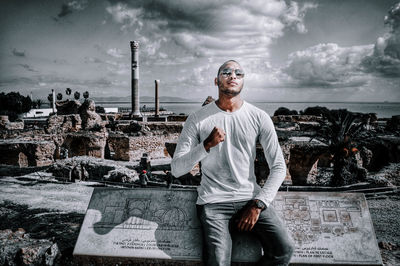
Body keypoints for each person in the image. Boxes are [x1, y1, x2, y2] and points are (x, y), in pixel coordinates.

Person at [171, 60, 294, 266]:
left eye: (239, 73)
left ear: (243, 81)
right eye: (226, 72)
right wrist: (206, 145)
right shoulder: (197, 119)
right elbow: (176, 169)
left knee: (283, 250)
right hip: (213, 204)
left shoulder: (259, 117)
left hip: (250, 199)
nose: (233, 76)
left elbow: (279, 167)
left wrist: (259, 204)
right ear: (216, 80)